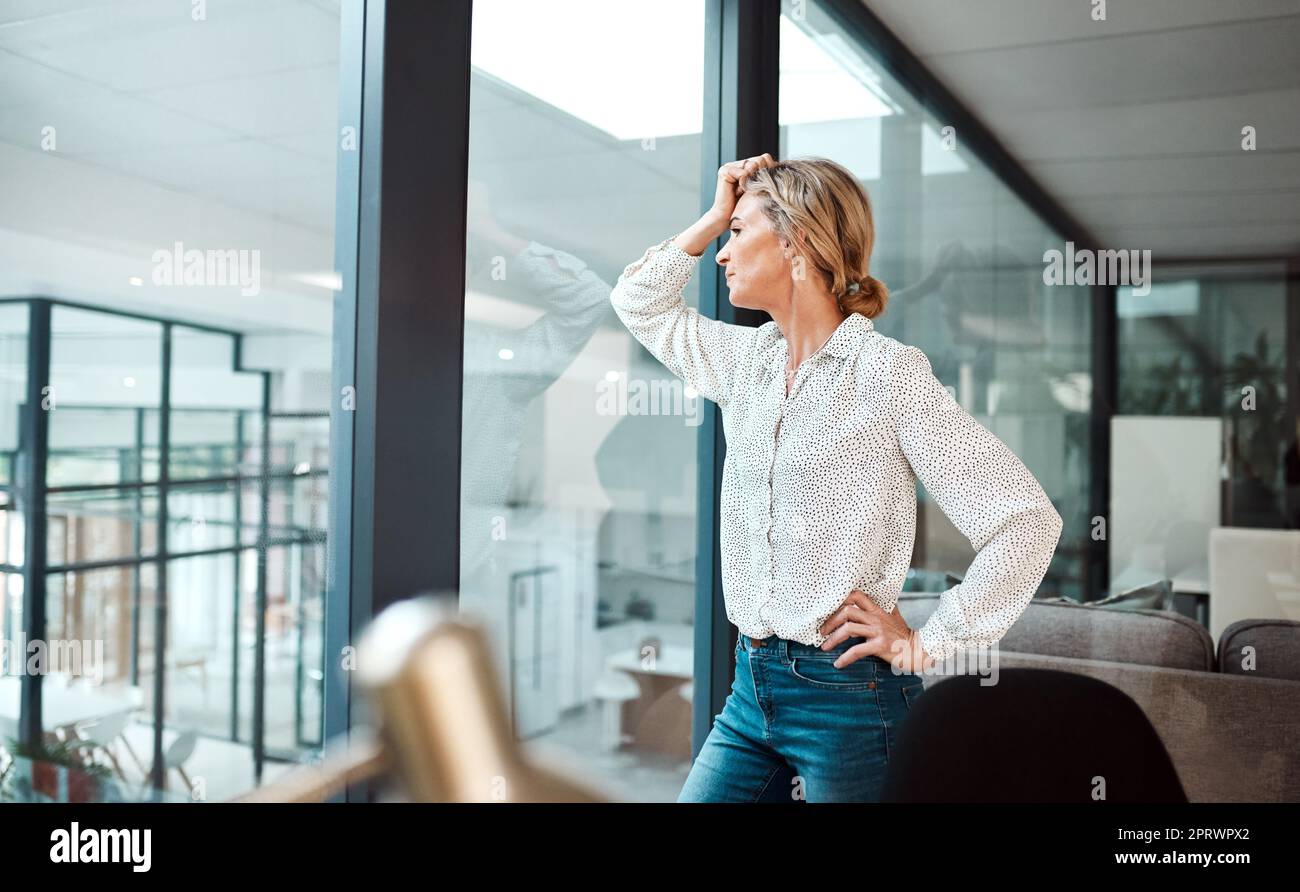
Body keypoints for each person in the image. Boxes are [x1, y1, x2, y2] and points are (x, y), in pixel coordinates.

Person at [608, 154, 1063, 802]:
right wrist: (714, 214)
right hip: (749, 687)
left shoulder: (887, 374)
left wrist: (928, 644)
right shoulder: (746, 364)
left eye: (737, 232)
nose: (721, 253)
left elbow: (1025, 522)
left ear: (795, 241)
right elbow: (637, 303)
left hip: (850, 701)